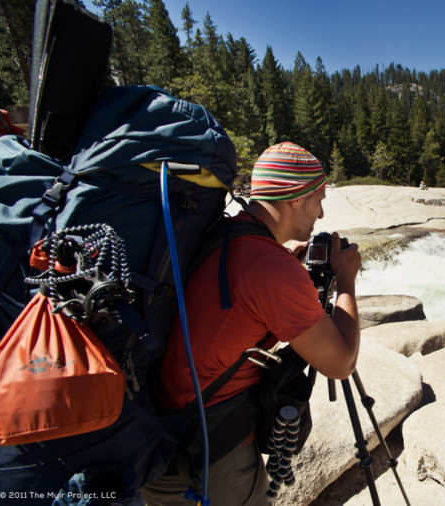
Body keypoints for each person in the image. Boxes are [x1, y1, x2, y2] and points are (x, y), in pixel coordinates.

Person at [142, 142, 362, 506]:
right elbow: (341, 363)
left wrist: (287, 264)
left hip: (162, 434)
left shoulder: (226, 232)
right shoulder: (271, 269)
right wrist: (347, 282)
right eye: (319, 198)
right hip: (211, 455)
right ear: (296, 197)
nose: (321, 214)